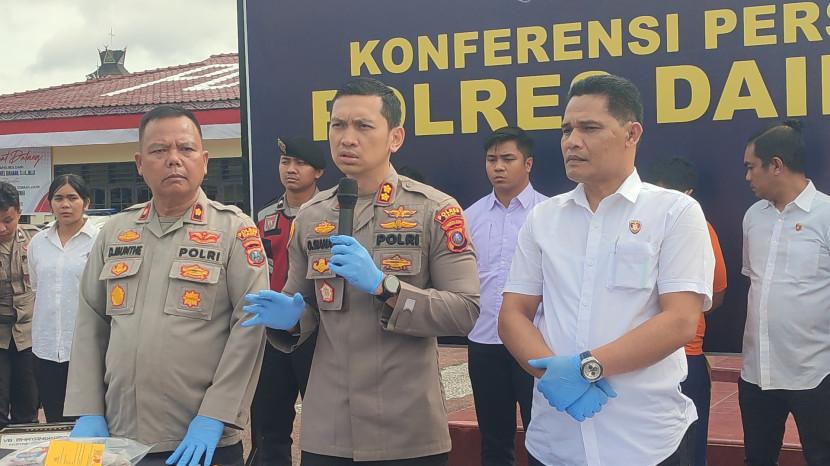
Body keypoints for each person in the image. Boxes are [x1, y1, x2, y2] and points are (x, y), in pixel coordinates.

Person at [242, 77, 480, 466]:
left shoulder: (434, 210)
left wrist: (386, 287)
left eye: (363, 126)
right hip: (329, 428)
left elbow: (465, 310)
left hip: (408, 427)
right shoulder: (312, 216)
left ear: (395, 137)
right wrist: (291, 318)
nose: (347, 138)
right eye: (338, 125)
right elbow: (306, 307)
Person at [498, 74, 715, 466]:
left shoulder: (674, 212)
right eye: (566, 130)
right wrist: (552, 375)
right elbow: (513, 313)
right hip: (555, 441)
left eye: (589, 128)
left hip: (645, 442)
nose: (572, 141)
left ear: (632, 133)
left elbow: (681, 320)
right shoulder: (543, 218)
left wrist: (585, 369)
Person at [64, 105, 268, 466]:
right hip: (121, 438)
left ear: (204, 161)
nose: (174, 159)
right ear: (140, 164)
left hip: (200, 441)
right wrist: (88, 408)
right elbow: (90, 321)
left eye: (186, 149)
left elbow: (249, 328)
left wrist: (216, 414)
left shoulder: (234, 230)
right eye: (159, 150)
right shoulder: (115, 231)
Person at [740, 120, 830, 466]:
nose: (747, 177)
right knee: (758, 459)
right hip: (756, 374)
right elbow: (755, 282)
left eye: (752, 167)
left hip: (816, 373)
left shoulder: (825, 215)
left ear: (776, 165)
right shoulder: (753, 217)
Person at [465, 126, 547, 466]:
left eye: (508, 159)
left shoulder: (549, 214)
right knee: (494, 440)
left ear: (528, 163)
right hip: (484, 339)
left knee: (542, 436)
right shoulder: (469, 217)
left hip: (536, 341)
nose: (498, 167)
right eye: (491, 159)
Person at [250, 137, 326, 466]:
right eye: (285, 162)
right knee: (268, 422)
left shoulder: (333, 212)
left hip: (318, 330)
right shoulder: (265, 216)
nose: (291, 169)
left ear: (318, 172)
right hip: (273, 333)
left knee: (323, 421)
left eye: (300, 163)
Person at [649, 157, 728, 466]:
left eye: (669, 194)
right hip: (638, 358)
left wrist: (678, 316)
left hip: (685, 356)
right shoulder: (633, 227)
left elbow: (716, 294)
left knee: (688, 451)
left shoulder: (700, 229)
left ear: (689, 194)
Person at [28, 174, 100, 423]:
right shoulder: (38, 242)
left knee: (87, 420)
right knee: (55, 418)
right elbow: (37, 288)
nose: (65, 204)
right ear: (50, 203)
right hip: (46, 347)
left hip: (86, 348)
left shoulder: (99, 240)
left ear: (86, 202)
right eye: (58, 198)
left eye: (72, 198)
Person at [0, 182, 40, 426]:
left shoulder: (37, 239)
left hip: (29, 334)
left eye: (8, 220)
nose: (1, 228)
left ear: (19, 212)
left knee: (27, 404)